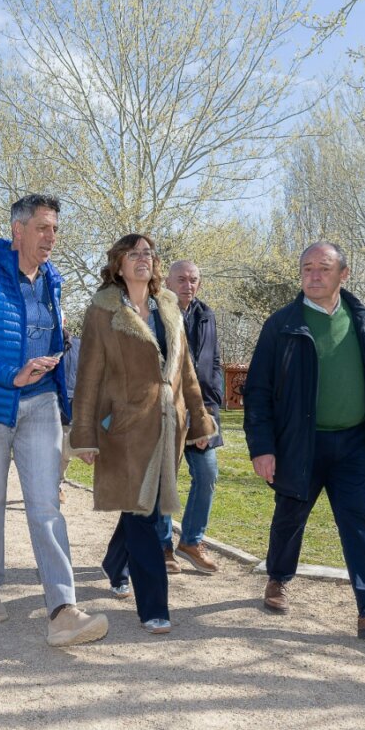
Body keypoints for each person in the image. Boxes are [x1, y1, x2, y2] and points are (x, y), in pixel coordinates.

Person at [0, 193, 108, 647]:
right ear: (18, 230)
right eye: (43, 228)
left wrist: (62, 393)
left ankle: (63, 609)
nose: (51, 237)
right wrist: (10, 373)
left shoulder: (52, 281)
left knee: (46, 506)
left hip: (39, 402)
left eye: (56, 229)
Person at [243, 241, 365, 639]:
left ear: (343, 274)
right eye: (306, 269)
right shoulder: (282, 324)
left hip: (354, 445)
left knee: (358, 523)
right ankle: (278, 578)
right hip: (299, 445)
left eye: (323, 268)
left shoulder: (364, 321)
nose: (314, 276)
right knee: (290, 518)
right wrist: (263, 447)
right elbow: (257, 391)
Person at [70, 234, 217, 634]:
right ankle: (154, 606)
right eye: (133, 254)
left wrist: (200, 422)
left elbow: (185, 370)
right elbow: (88, 376)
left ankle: (115, 563)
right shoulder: (102, 312)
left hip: (170, 425)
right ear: (118, 264)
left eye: (148, 254)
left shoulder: (168, 307)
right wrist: (84, 433)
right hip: (127, 429)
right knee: (146, 516)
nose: (143, 260)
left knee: (143, 504)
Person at [158, 259, 223, 576]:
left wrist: (210, 411)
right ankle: (163, 545)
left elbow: (214, 365)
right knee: (164, 481)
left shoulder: (206, 314)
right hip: (166, 410)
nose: (188, 285)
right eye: (181, 279)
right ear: (167, 282)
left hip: (202, 409)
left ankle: (192, 541)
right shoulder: (155, 313)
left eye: (194, 279)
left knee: (208, 473)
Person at [57, 328, 81, 505]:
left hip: (72, 404)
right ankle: (47, 486)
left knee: (66, 451)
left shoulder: (80, 345)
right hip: (47, 401)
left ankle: (57, 482)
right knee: (45, 448)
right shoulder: (44, 344)